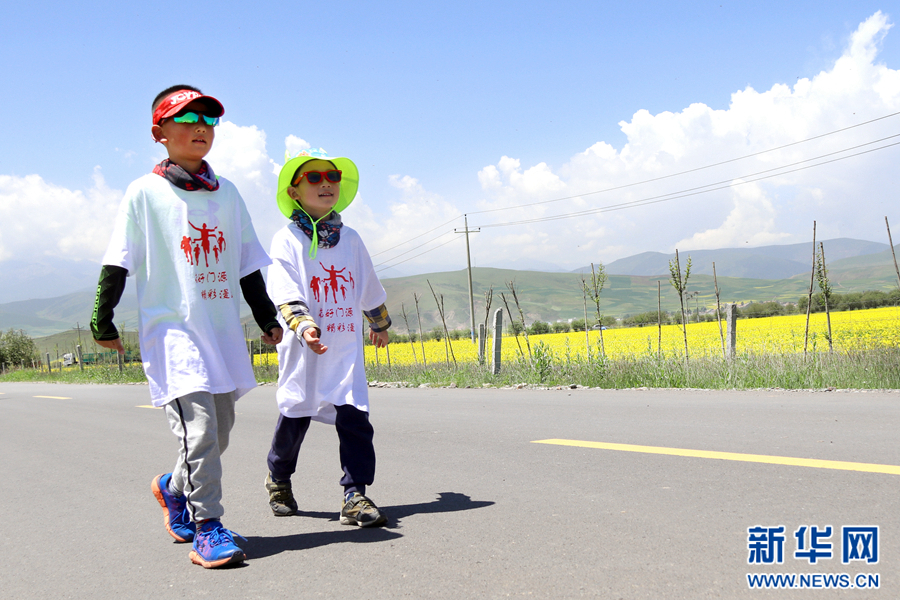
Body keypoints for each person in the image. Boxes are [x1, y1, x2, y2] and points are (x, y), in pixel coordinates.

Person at [91, 85, 284, 568]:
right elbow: (118, 261)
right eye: (186, 118)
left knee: (220, 430)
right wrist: (102, 319)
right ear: (160, 133)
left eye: (209, 119)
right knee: (199, 432)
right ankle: (207, 527)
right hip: (173, 332)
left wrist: (266, 317)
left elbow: (245, 265)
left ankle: (171, 488)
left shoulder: (229, 193)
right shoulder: (144, 192)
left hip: (218, 330)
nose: (201, 127)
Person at [265, 148, 391, 527]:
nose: (326, 184)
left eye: (332, 177)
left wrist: (379, 323)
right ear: (294, 191)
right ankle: (279, 480)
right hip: (305, 349)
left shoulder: (350, 239)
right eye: (314, 178)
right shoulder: (286, 240)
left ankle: (355, 494)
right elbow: (284, 291)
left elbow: (367, 284)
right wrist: (304, 325)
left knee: (355, 419)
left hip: (344, 347)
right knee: (295, 416)